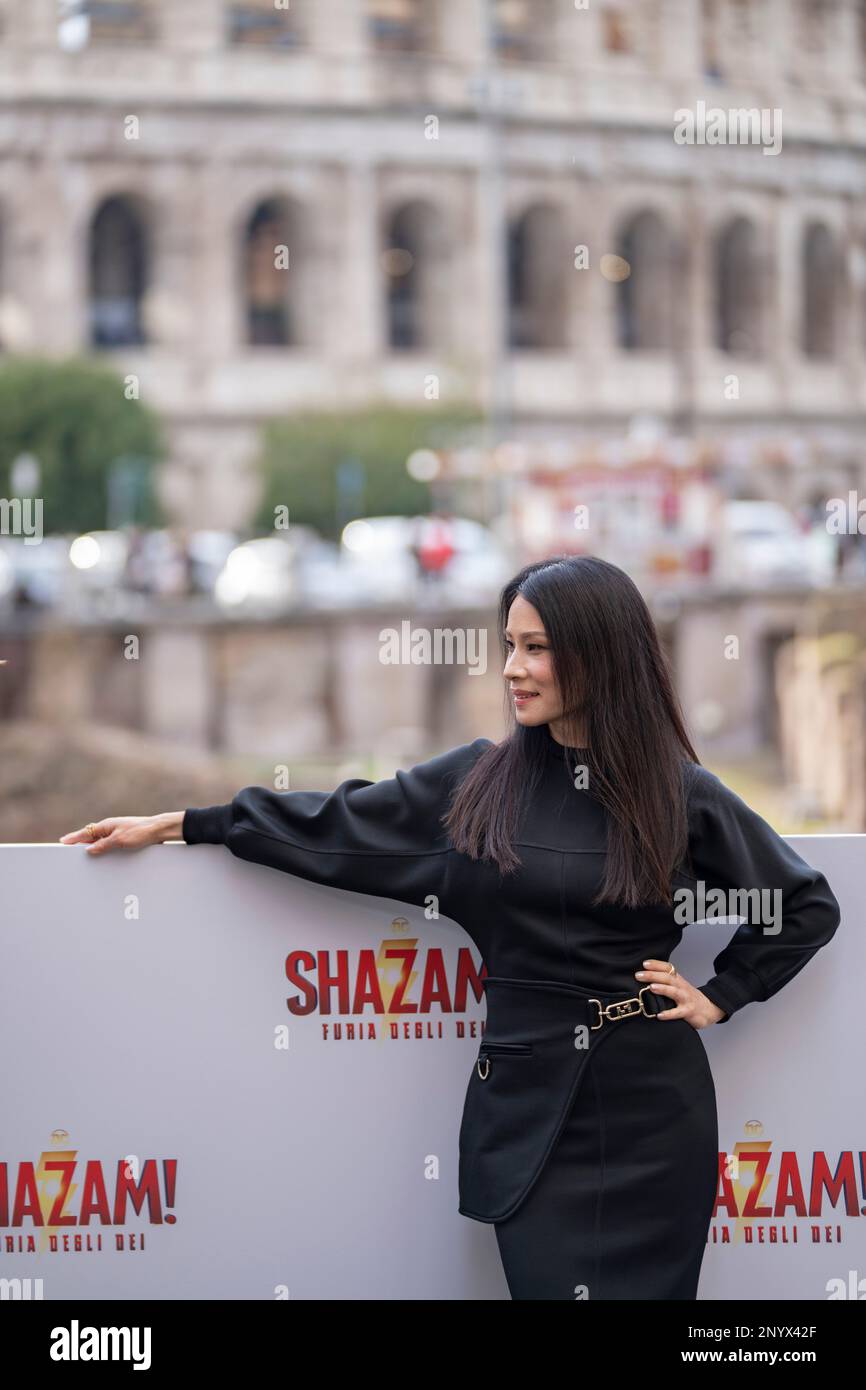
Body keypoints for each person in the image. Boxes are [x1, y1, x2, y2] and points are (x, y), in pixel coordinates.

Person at [59, 554, 842, 1300]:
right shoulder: (476, 782)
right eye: (510, 646)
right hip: (531, 1113)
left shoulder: (680, 793)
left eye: (536, 649)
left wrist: (724, 993)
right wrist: (190, 824)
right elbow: (340, 823)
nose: (512, 668)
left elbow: (804, 905)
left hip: (652, 1115)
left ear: (599, 656)